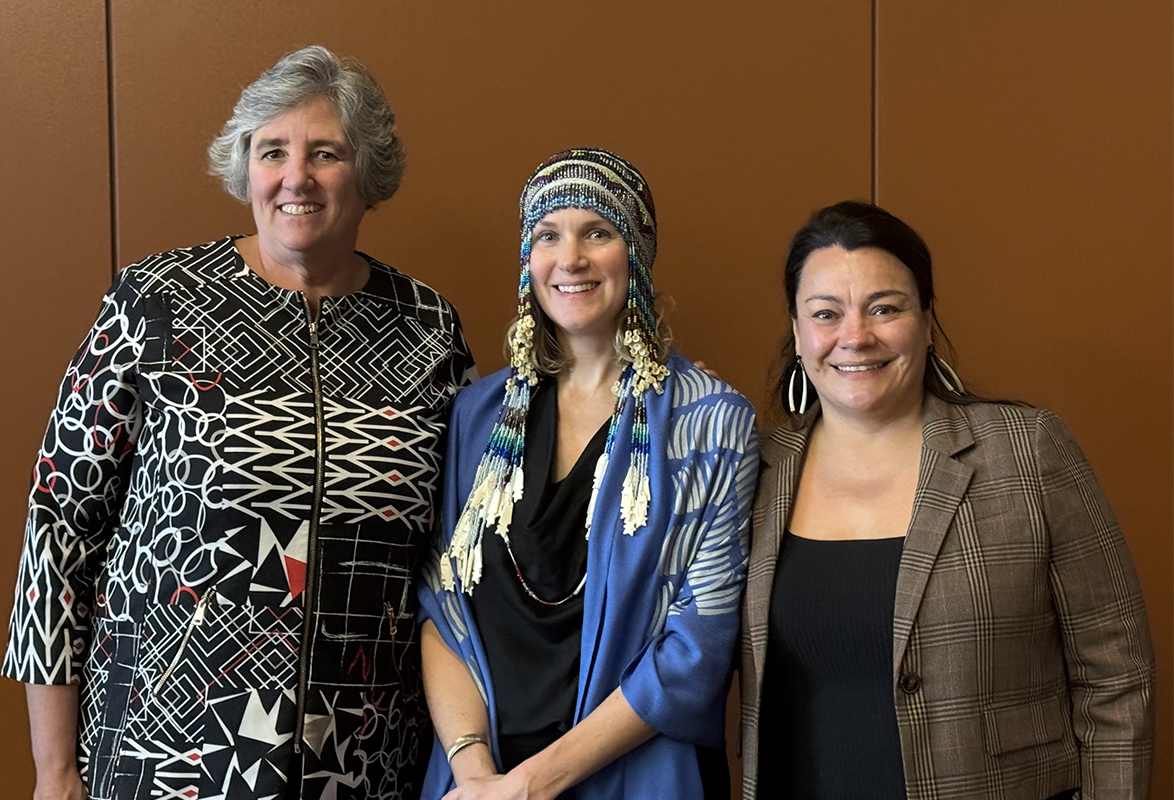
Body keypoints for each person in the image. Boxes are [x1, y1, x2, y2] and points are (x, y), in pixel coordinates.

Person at [3, 46, 475, 800]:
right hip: (166, 755)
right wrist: (54, 770)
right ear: (245, 167)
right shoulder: (157, 301)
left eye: (326, 153)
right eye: (273, 151)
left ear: (367, 172)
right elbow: (60, 524)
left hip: (362, 761)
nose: (296, 177)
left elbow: (457, 553)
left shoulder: (425, 328)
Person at [739, 201, 1156, 800]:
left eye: (885, 308)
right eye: (826, 314)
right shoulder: (749, 471)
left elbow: (1117, 675)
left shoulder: (1028, 450)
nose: (855, 337)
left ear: (926, 321)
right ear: (798, 333)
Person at [417, 148, 759, 800]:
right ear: (528, 260)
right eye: (548, 235)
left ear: (637, 256)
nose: (569, 258)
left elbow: (699, 647)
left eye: (597, 232)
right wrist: (478, 775)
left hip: (636, 778)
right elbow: (443, 604)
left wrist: (531, 786)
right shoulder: (480, 415)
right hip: (477, 782)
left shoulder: (709, 423)